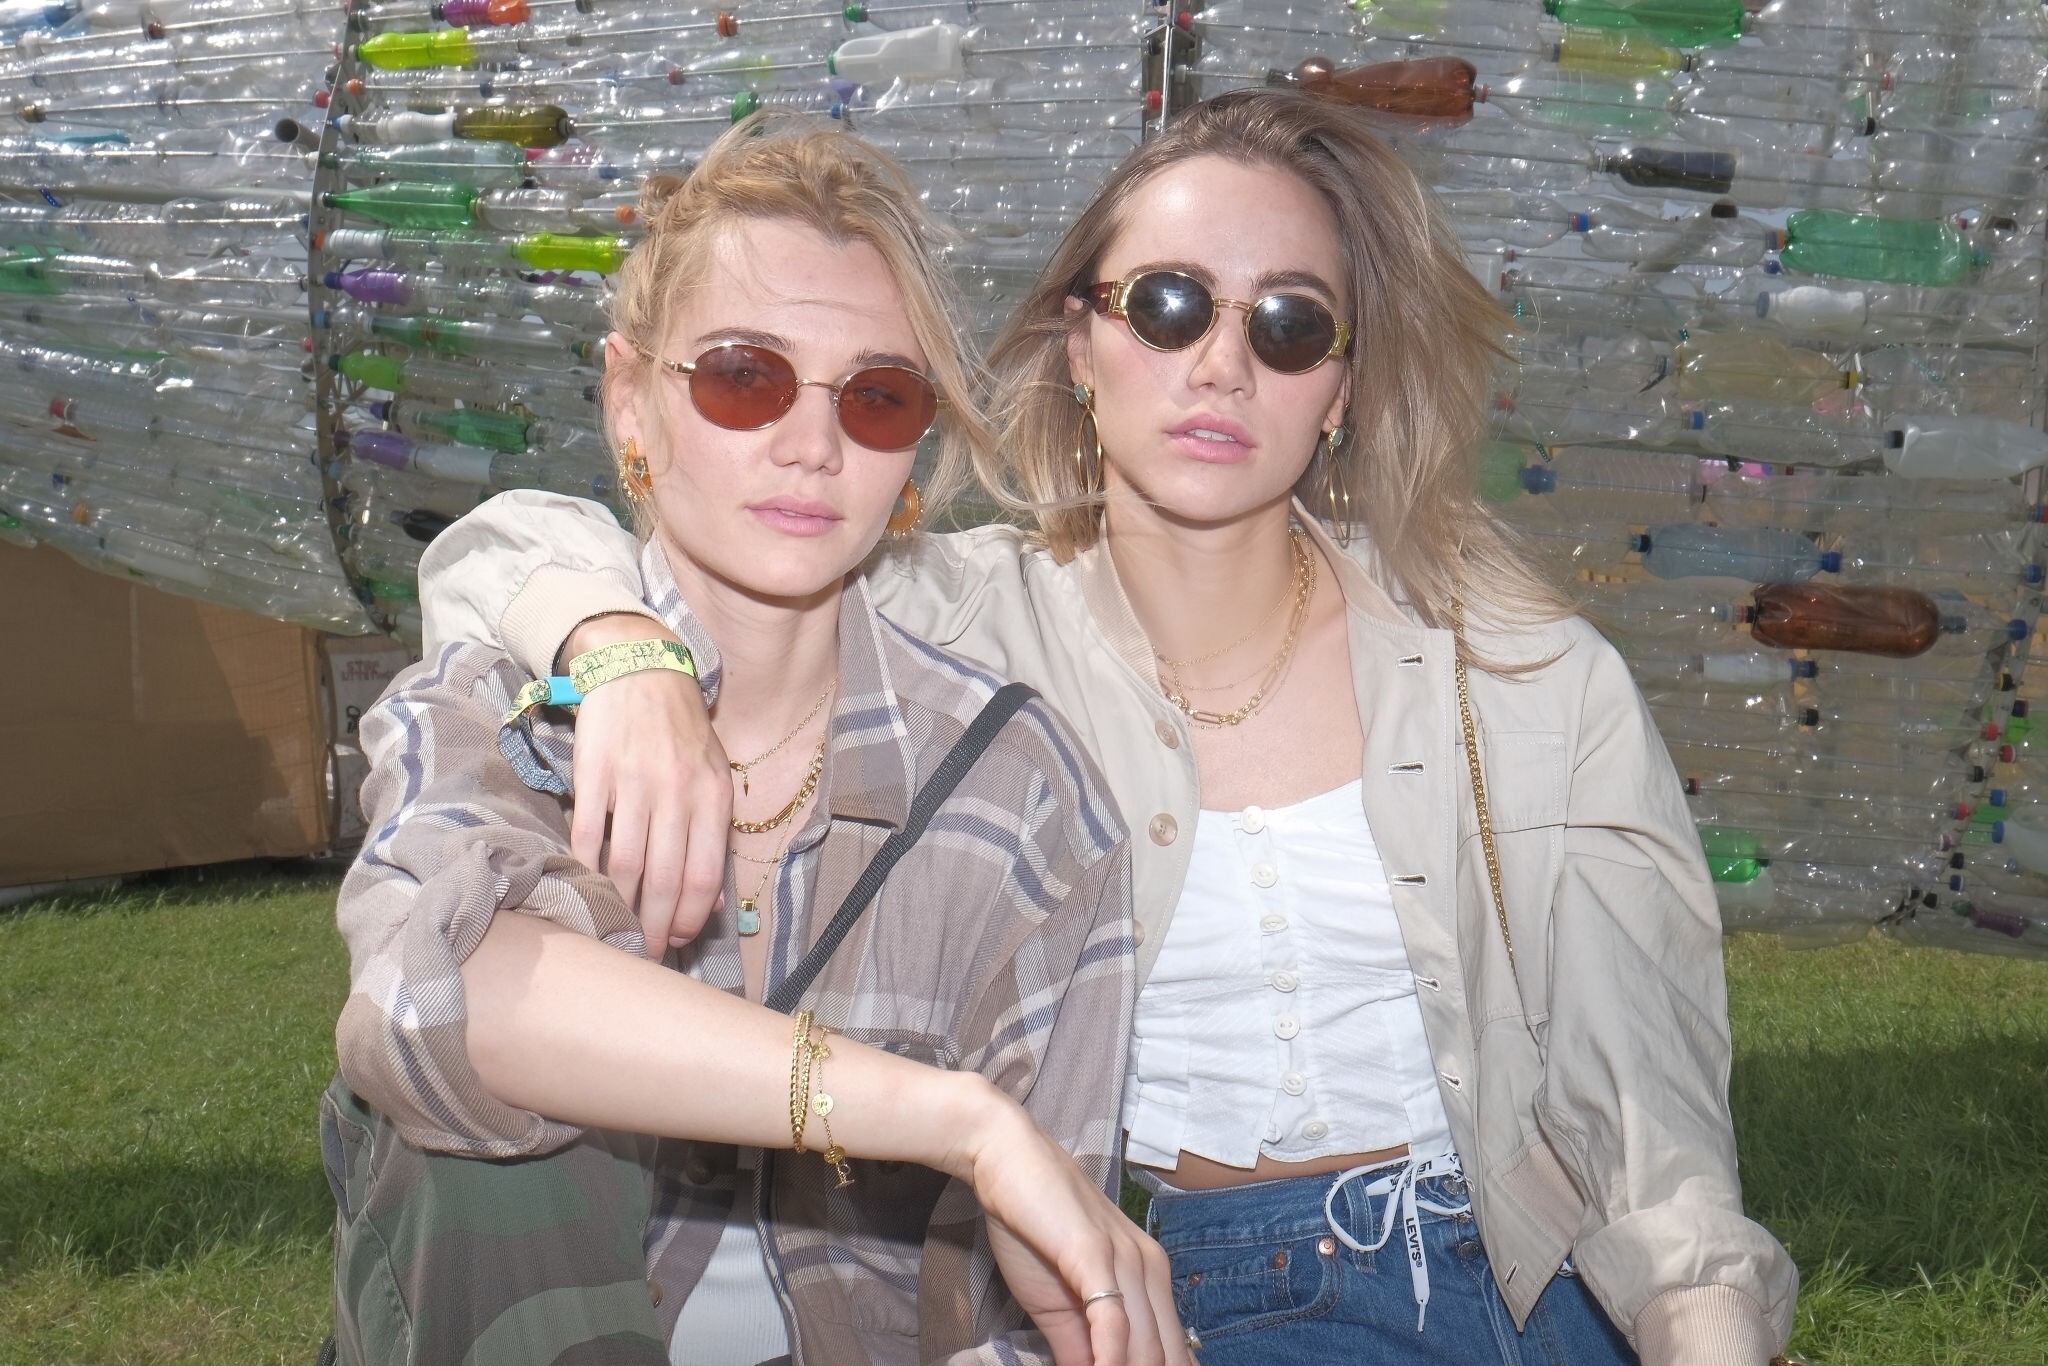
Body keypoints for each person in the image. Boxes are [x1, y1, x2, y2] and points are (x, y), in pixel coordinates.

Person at [416, 91, 1801, 1364]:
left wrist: (1707, 1333)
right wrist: (621, 653)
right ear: (1081, 342)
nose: (1223, 364)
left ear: (1342, 388)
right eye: (1170, 304)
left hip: (1534, 1279)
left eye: (1288, 325)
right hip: (1194, 1291)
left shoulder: (1520, 669)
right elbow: (499, 556)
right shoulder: (949, 626)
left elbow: (1651, 1116)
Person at [325, 116, 1191, 1366]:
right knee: (497, 1150)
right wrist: (953, 1119)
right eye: (746, 376)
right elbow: (428, 1005)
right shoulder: (501, 703)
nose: (812, 443)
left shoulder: (1019, 795)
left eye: (877, 397)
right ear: (632, 402)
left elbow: (1043, 1302)